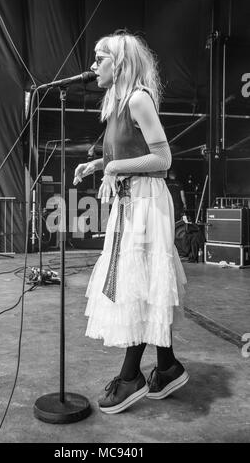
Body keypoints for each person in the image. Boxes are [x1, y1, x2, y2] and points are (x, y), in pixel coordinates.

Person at [73, 31, 188, 415]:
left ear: (117, 63)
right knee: (143, 286)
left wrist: (115, 166)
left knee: (136, 287)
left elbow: (163, 158)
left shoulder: (138, 98)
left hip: (146, 202)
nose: (92, 66)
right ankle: (168, 366)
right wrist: (98, 164)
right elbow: (124, 155)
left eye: (98, 58)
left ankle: (130, 377)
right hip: (130, 202)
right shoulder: (118, 102)